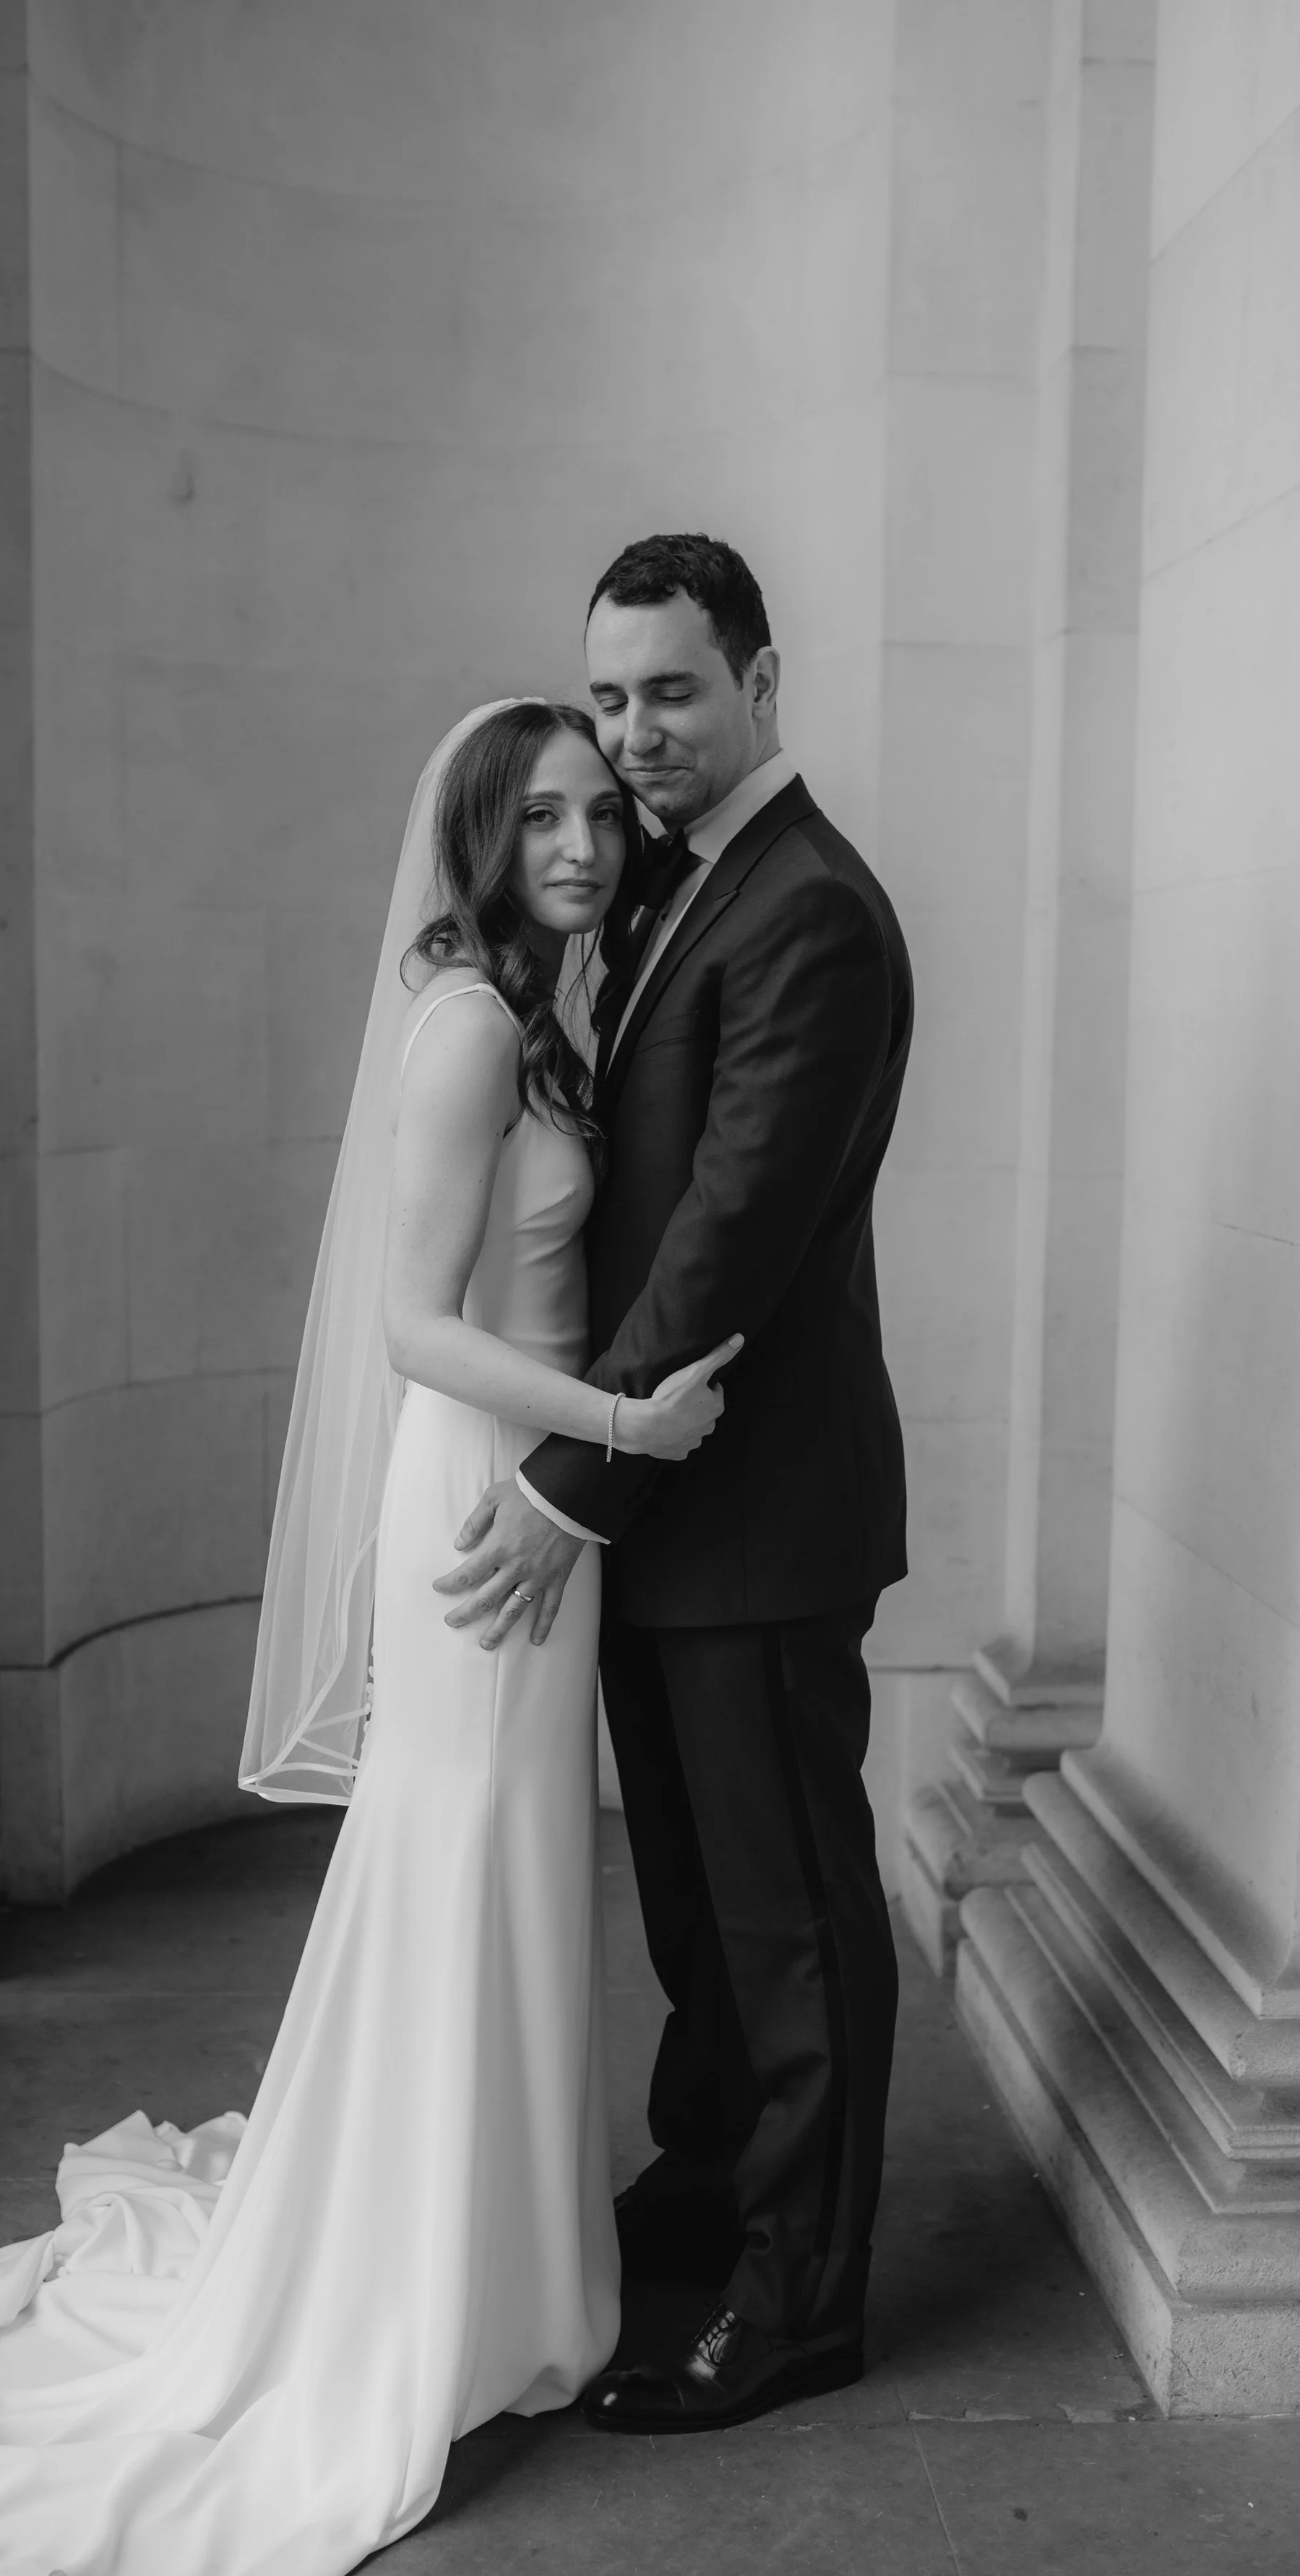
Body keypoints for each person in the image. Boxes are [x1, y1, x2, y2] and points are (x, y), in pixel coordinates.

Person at [0, 700, 733, 2576]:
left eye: (601, 813)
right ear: (483, 837)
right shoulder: (478, 1026)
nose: (585, 843)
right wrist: (618, 1430)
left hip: (536, 1491)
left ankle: (489, 2267)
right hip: (492, 1493)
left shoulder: (521, 1008)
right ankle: (430, 2291)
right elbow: (414, 1328)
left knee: (493, 1867)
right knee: (463, 1858)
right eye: (549, 817)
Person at [436, 536, 914, 2434]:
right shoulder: (664, 891)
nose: (634, 733)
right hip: (668, 1503)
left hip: (753, 1509)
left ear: (763, 679)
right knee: (703, 1915)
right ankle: (713, 2184)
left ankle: (798, 2299)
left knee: (787, 1917)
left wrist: (565, 1488)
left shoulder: (810, 910)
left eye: (671, 690)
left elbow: (725, 1241)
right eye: (610, 694)